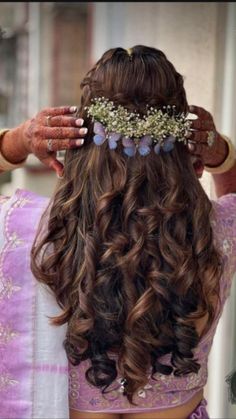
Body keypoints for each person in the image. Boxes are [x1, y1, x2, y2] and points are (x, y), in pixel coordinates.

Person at [0, 45, 235, 419]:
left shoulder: (36, 234)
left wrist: (19, 141)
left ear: (82, 139)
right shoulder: (215, 234)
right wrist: (220, 151)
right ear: (185, 142)